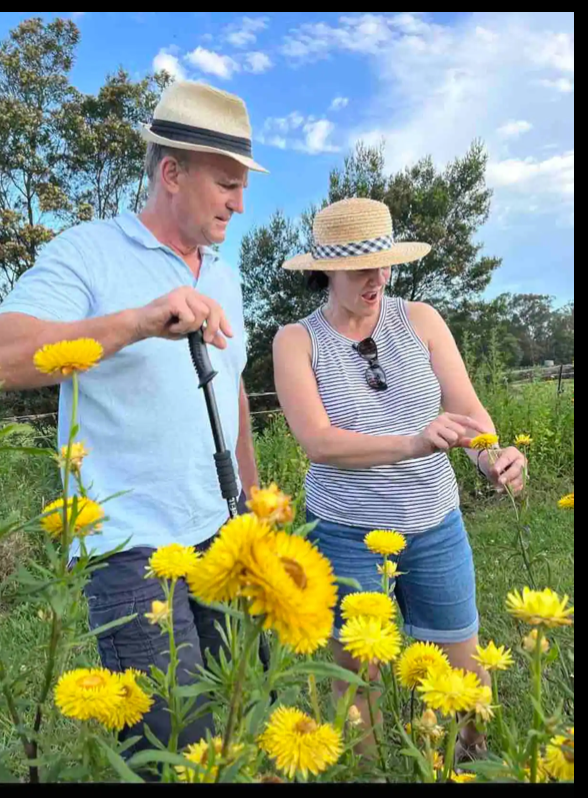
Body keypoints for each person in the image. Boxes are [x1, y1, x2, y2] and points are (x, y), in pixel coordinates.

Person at [0, 81, 267, 752]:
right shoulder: (86, 252)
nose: (241, 202)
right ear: (172, 173)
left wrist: (254, 499)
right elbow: (5, 355)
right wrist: (141, 321)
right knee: (172, 745)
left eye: (243, 186)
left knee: (237, 717)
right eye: (227, 184)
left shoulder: (226, 276)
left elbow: (230, 390)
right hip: (127, 550)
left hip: (220, 531)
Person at [273, 198, 527, 761]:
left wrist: (493, 456)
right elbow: (317, 441)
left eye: (385, 262)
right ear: (326, 270)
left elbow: (469, 413)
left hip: (434, 522)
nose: (378, 277)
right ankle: (373, 773)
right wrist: (413, 442)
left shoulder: (421, 320)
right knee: (358, 679)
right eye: (362, 266)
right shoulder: (296, 341)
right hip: (344, 531)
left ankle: (474, 759)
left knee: (465, 665)